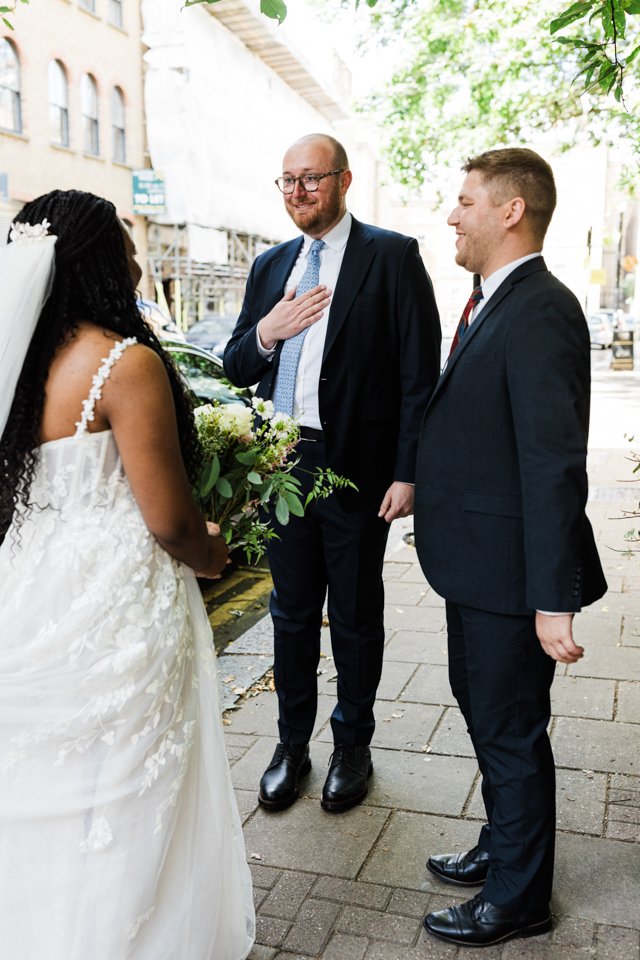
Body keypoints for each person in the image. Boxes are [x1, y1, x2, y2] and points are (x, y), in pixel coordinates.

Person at [0, 190, 255, 960]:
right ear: (96, 259)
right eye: (126, 241)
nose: (139, 256)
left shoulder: (16, 364)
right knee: (133, 785)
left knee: (42, 784)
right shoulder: (123, 362)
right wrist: (215, 553)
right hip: (118, 602)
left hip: (28, 589)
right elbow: (170, 521)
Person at [414, 148, 607, 947]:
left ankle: (519, 900)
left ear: (510, 211)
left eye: (463, 201)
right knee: (487, 714)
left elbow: (552, 461)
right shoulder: (491, 300)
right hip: (476, 567)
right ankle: (504, 847)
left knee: (510, 729)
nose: (451, 216)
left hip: (511, 574)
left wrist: (553, 596)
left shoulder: (542, 308)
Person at [224, 134, 441, 813]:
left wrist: (409, 471)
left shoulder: (391, 256)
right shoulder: (271, 265)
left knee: (353, 616)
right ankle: (292, 747)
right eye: (286, 181)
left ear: (343, 181)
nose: (297, 193)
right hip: (281, 467)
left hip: (355, 472)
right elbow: (235, 365)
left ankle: (353, 745)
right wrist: (270, 331)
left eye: (311, 179)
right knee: (289, 616)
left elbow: (418, 374)